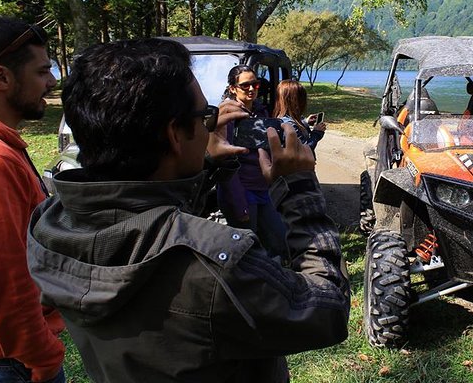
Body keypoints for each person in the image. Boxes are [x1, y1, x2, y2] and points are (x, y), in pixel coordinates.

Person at [26, 38, 350, 383]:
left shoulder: (51, 224)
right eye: (205, 116)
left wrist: (208, 164)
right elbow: (325, 310)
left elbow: (150, 217)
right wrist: (300, 189)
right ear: (174, 134)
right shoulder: (214, 266)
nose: (210, 124)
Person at [0, 16, 65, 382]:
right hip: (8, 360)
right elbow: (5, 283)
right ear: (2, 78)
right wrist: (42, 357)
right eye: (43, 70)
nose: (53, 81)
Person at [220, 65, 287, 258]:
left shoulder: (260, 112)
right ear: (233, 88)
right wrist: (239, 203)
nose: (251, 89)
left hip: (262, 189)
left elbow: (264, 150)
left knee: (278, 240)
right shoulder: (227, 117)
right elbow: (227, 166)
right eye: (245, 85)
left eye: (255, 84)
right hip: (241, 191)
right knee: (249, 247)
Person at [273, 79, 326, 154]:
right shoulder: (289, 125)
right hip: (299, 165)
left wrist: (305, 123)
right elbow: (304, 151)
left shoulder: (283, 119)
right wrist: (317, 133)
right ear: (296, 101)